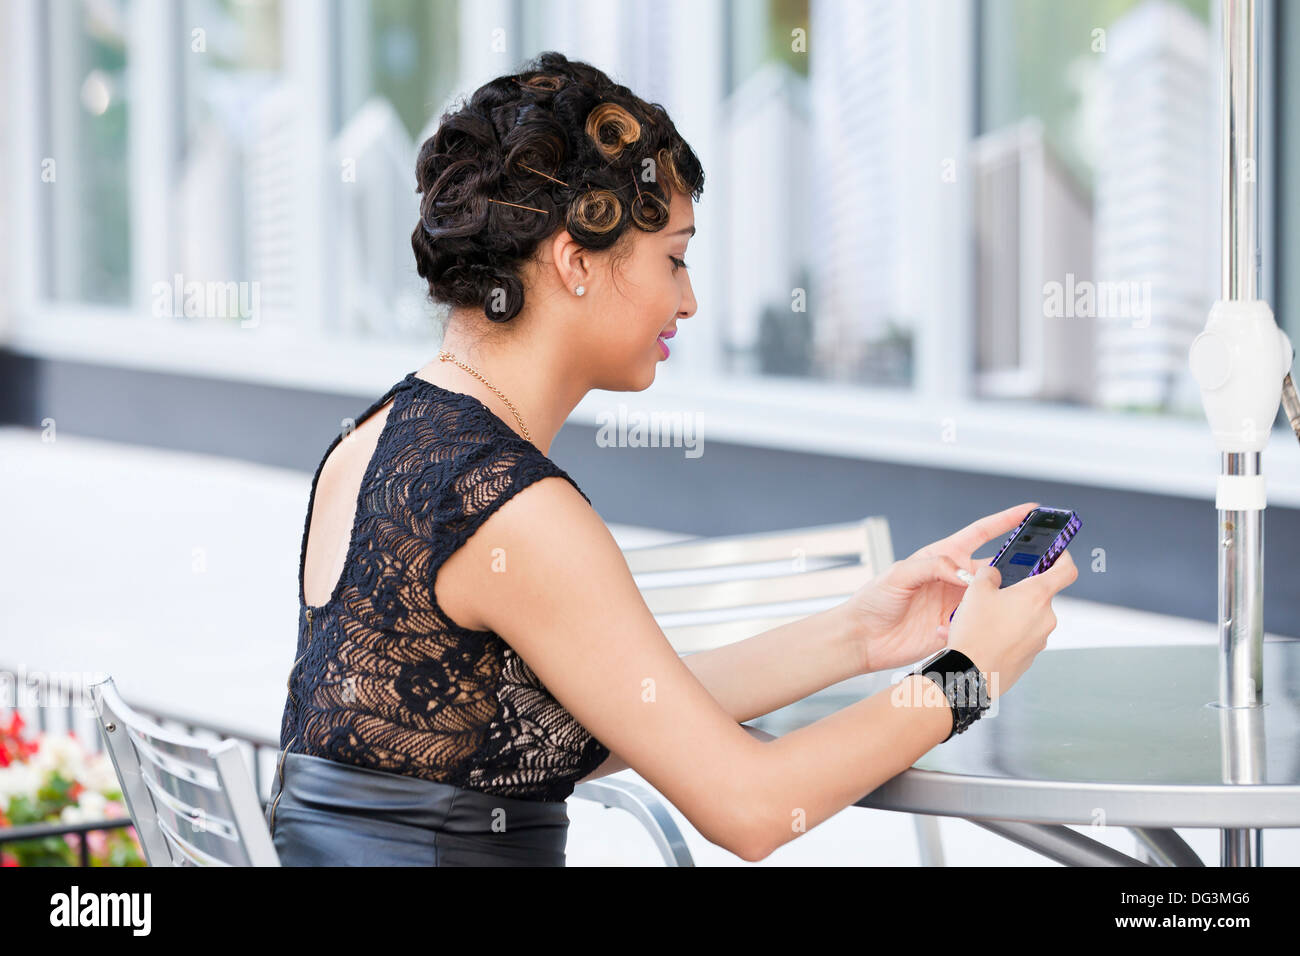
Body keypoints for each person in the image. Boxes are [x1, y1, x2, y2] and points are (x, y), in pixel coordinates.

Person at [266, 50, 1078, 866]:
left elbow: (620, 709)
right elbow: (754, 809)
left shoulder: (373, 440)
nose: (688, 300)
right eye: (675, 258)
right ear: (575, 260)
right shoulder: (510, 508)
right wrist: (970, 676)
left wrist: (858, 636)